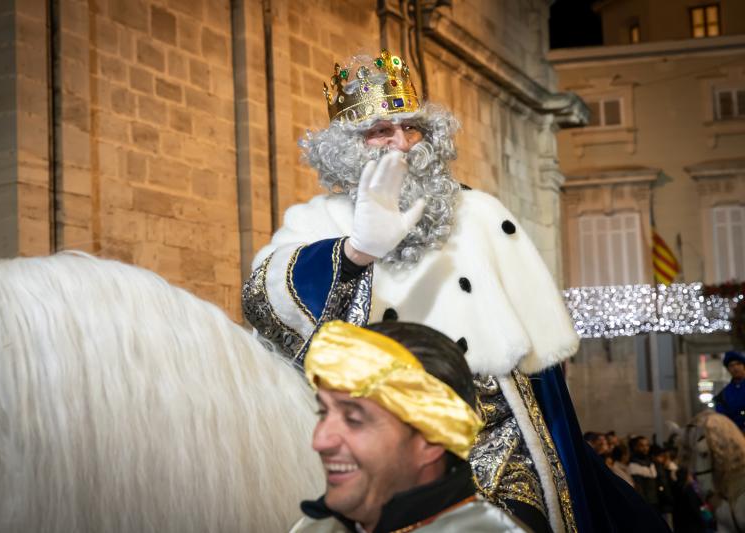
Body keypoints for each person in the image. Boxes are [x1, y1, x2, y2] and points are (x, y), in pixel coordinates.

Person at [244, 48, 669, 533]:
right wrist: (356, 251)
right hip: (380, 439)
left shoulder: (480, 214)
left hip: (497, 441)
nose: (401, 144)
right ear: (346, 147)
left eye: (411, 128)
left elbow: (539, 369)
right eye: (381, 131)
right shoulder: (315, 221)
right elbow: (263, 301)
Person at [290, 320, 526, 532]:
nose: (319, 441)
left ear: (430, 439)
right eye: (323, 412)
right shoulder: (316, 527)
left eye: (353, 420)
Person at [714, 350, 745, 432]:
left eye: (738, 364)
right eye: (731, 365)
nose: (735, 368)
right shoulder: (723, 395)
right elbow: (721, 418)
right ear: (728, 369)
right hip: (735, 434)